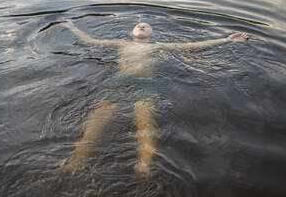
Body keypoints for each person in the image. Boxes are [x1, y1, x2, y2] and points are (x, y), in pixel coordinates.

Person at [56, 21, 249, 176]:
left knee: (145, 120)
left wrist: (227, 40)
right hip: (121, 80)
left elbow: (194, 46)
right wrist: (71, 26)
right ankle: (77, 158)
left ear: (152, 33)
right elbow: (90, 41)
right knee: (99, 116)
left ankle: (145, 162)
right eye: (138, 24)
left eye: (146, 25)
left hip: (147, 82)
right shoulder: (121, 43)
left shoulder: (160, 45)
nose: (142, 25)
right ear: (132, 31)